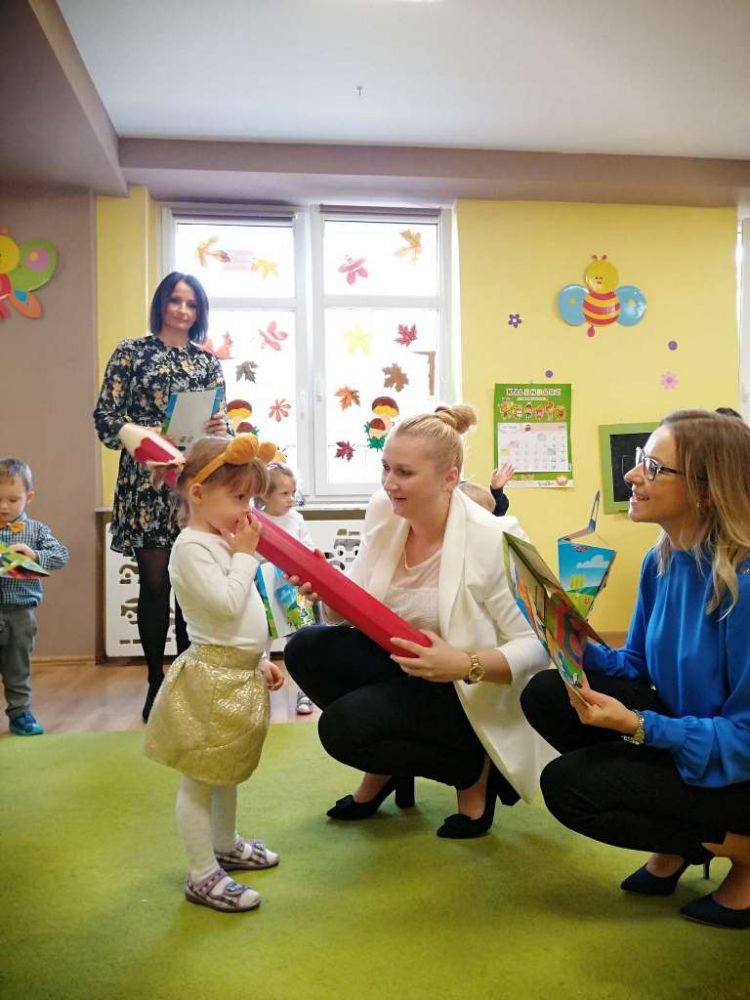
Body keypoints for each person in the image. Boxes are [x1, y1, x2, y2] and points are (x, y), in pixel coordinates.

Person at [521, 409, 750, 930]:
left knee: (572, 789)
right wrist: (563, 634)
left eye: (653, 467)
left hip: (739, 763)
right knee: (546, 694)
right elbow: (635, 667)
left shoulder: (744, 584)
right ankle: (677, 841)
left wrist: (640, 726)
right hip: (695, 738)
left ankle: (745, 853)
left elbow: (745, 740)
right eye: (641, 459)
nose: (631, 474)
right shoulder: (662, 558)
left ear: (706, 491)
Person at [284, 405, 553, 838]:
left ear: (449, 478)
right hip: (406, 669)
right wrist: (326, 590)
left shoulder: (494, 538)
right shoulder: (386, 512)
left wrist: (463, 663)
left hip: (464, 686)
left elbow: (540, 644)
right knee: (307, 648)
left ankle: (472, 769)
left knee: (344, 729)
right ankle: (392, 763)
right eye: (386, 468)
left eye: (404, 473)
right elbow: (353, 608)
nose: (389, 483)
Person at [144, 435, 285, 913]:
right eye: (240, 497)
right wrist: (245, 554)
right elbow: (224, 606)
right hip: (211, 681)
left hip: (237, 673)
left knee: (227, 770)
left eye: (252, 499)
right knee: (201, 780)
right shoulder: (191, 548)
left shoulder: (222, 540)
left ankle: (225, 845)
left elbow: (238, 614)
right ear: (198, 494)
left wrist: (258, 659)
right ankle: (202, 874)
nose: (249, 510)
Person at [93, 272, 228, 722]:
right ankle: (155, 681)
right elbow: (105, 420)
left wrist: (220, 428)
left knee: (191, 585)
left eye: (191, 303)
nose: (183, 310)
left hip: (194, 485)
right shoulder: (131, 352)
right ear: (161, 305)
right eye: (175, 301)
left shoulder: (207, 363)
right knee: (154, 585)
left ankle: (188, 683)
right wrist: (149, 434)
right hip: (145, 484)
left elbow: (221, 431)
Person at [0, 457, 68, 736]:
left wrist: (35, 555)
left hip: (20, 612)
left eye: (12, 500)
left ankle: (20, 714)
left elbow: (60, 556)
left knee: (18, 667)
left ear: (28, 497)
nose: (4, 507)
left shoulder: (37, 530)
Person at [256, 462, 316, 715]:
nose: (291, 499)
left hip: (292, 586)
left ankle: (307, 692)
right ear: (264, 495)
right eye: (284, 494)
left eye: (293, 493)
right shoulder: (255, 519)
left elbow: (308, 548)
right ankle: (259, 691)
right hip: (261, 586)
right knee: (260, 639)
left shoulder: (296, 519)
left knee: (301, 639)